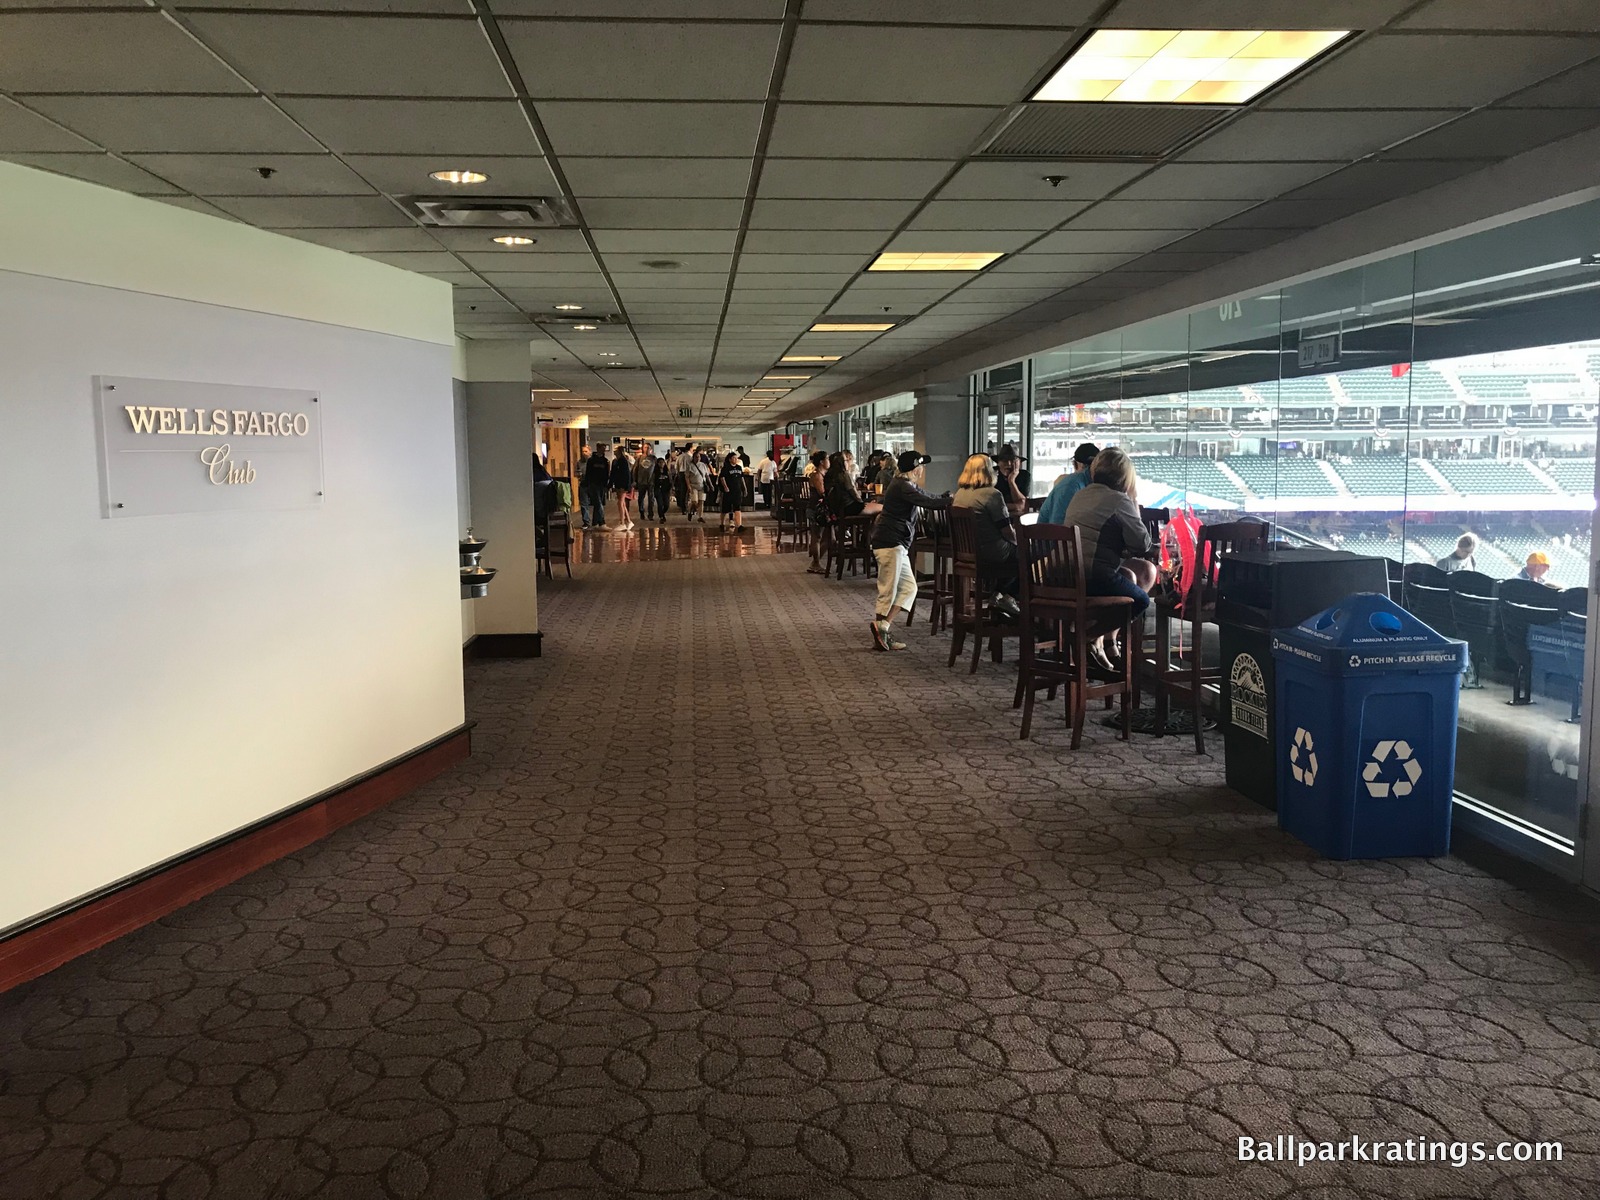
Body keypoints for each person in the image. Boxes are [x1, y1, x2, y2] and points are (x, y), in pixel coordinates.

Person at [1064, 448, 1158, 669]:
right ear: (1125, 477)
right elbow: (1142, 544)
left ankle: (1103, 643)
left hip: (1066, 574)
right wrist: (1133, 502)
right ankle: (1088, 636)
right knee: (1140, 600)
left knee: (1127, 575)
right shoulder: (1118, 500)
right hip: (1093, 576)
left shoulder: (1081, 494)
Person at [868, 451, 951, 651]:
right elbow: (928, 502)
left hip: (897, 544)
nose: (923, 470)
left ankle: (883, 627)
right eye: (921, 466)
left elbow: (928, 497)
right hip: (890, 543)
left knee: (909, 588)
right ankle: (881, 632)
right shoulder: (902, 486)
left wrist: (944, 497)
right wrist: (950, 501)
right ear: (916, 469)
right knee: (888, 590)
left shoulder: (905, 485)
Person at [951, 453, 1021, 618]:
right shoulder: (992, 494)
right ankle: (1009, 597)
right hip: (991, 553)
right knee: (1028, 555)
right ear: (988, 471)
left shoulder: (960, 494)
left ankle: (998, 595)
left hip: (968, 553)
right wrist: (1022, 542)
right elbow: (1007, 531)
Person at [1038, 442, 1101, 526]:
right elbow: (1057, 527)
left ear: (1076, 464)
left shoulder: (1074, 484)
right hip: (1052, 536)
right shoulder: (1072, 486)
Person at [804, 450, 831, 574]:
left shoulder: (822, 474)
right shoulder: (817, 475)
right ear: (821, 462)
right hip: (816, 509)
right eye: (827, 459)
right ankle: (815, 563)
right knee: (817, 536)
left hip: (818, 508)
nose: (829, 461)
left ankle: (815, 561)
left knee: (828, 537)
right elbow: (822, 493)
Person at [993, 444, 1029, 519]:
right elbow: (994, 506)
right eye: (1005, 460)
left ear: (1019, 463)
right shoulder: (992, 475)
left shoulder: (1024, 475)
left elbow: (1023, 505)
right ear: (998, 463)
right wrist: (1015, 506)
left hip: (1018, 520)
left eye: (1013, 460)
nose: (1009, 464)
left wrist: (1011, 481)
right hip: (996, 519)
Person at [580, 444, 610, 531]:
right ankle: (602, 522)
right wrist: (588, 483)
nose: (603, 450)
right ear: (598, 449)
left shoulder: (605, 461)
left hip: (601, 485)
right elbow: (589, 473)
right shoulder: (591, 460)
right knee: (598, 503)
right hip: (593, 484)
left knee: (598, 503)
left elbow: (606, 474)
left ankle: (595, 523)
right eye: (602, 449)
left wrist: (606, 485)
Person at [717, 451, 747, 532]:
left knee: (737, 508)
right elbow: (722, 478)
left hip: (737, 490)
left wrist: (744, 488)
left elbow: (742, 478)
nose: (736, 459)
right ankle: (722, 524)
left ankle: (739, 525)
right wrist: (725, 487)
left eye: (736, 458)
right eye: (734, 458)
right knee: (725, 509)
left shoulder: (739, 468)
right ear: (730, 459)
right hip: (728, 491)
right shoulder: (726, 468)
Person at [609, 444, 635, 531]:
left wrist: (627, 486)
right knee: (622, 502)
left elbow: (627, 475)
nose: (614, 451)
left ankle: (622, 522)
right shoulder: (615, 461)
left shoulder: (623, 461)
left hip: (623, 485)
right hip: (618, 484)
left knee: (620, 502)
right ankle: (628, 521)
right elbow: (613, 474)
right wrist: (610, 484)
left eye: (616, 450)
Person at [633, 446, 659, 523]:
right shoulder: (639, 458)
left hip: (651, 482)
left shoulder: (654, 458)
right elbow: (635, 469)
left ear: (651, 449)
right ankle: (641, 512)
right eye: (645, 447)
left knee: (651, 498)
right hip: (641, 481)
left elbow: (657, 469)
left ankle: (650, 514)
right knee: (641, 498)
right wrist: (634, 480)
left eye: (648, 448)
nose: (647, 449)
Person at [683, 450, 709, 523]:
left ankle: (700, 516)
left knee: (701, 501)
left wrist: (710, 484)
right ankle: (690, 510)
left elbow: (706, 475)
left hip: (702, 486)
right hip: (693, 486)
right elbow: (687, 477)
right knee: (695, 501)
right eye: (696, 457)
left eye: (699, 457)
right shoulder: (690, 466)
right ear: (693, 457)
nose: (697, 458)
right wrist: (688, 486)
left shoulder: (703, 465)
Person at [652, 453, 673, 524]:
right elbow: (652, 480)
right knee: (660, 504)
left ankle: (662, 513)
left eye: (663, 462)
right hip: (658, 490)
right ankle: (661, 516)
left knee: (666, 505)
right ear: (657, 463)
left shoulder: (667, 472)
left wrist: (671, 489)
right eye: (660, 462)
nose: (661, 464)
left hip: (666, 490)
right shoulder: (655, 472)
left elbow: (670, 480)